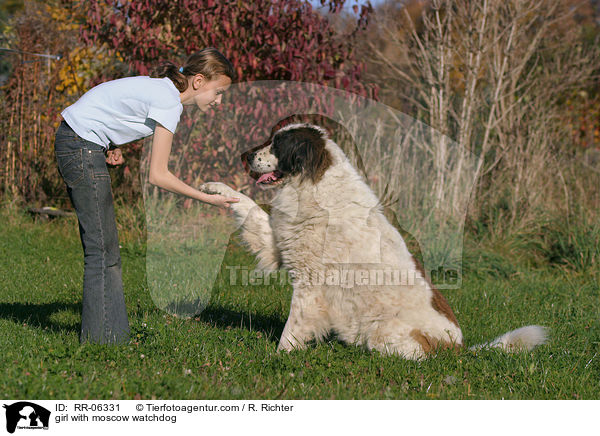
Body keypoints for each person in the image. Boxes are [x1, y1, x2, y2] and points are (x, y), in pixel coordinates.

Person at [54, 47, 239, 345]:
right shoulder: (169, 102)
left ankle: (111, 338)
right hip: (79, 145)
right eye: (218, 93)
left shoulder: (163, 90)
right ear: (199, 81)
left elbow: (111, 106)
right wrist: (209, 199)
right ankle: (103, 343)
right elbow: (158, 175)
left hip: (82, 142)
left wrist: (109, 143)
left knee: (105, 250)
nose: (218, 102)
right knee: (102, 251)